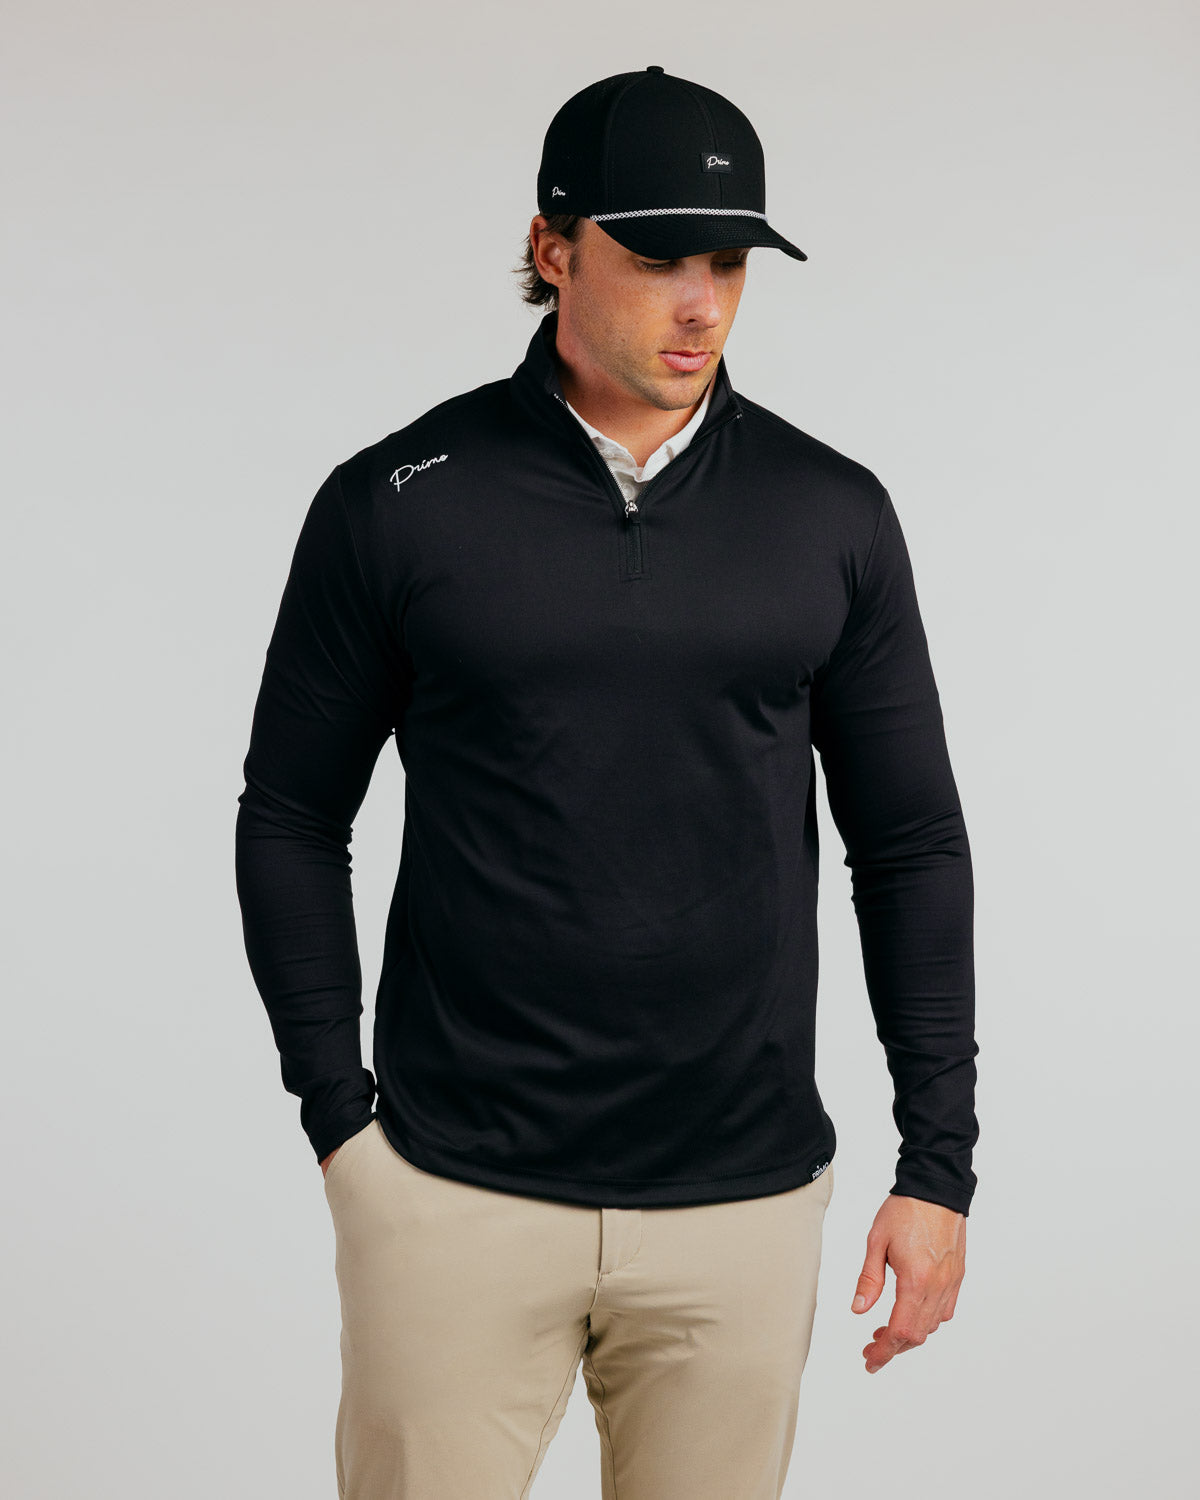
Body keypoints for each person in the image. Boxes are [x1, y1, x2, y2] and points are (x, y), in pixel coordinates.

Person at [235, 64, 978, 1500]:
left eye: (729, 264)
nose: (702, 304)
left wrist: (936, 1162)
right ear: (554, 248)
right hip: (450, 1189)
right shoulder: (401, 500)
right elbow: (289, 817)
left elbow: (910, 846)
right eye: (657, 259)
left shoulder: (830, 514)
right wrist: (340, 1124)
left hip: (741, 1204)